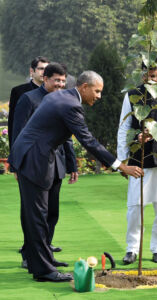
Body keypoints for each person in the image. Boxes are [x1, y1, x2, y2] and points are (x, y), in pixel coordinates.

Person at [8, 70, 143, 282]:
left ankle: (39, 263)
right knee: (37, 216)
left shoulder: (58, 96)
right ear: (84, 87)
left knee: (34, 215)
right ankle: (44, 271)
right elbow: (88, 141)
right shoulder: (71, 105)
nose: (99, 96)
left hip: (31, 156)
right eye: (97, 91)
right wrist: (120, 166)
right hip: (35, 159)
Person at [12, 63, 78, 269]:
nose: (59, 84)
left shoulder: (63, 100)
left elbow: (66, 136)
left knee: (52, 212)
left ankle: (46, 254)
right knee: (32, 213)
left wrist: (72, 163)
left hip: (56, 165)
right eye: (56, 80)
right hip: (32, 165)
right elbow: (18, 133)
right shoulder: (28, 99)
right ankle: (29, 255)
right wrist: (16, 165)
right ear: (45, 78)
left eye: (62, 80)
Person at [117, 62, 157, 265]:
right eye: (147, 75)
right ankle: (131, 248)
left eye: (155, 75)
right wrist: (123, 157)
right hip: (139, 156)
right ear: (142, 74)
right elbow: (124, 126)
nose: (151, 78)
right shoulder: (132, 95)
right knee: (135, 207)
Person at [8, 56, 50, 148]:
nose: (44, 72)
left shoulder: (53, 92)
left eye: (47, 69)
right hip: (26, 145)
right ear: (32, 71)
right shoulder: (18, 91)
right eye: (41, 69)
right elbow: (12, 122)